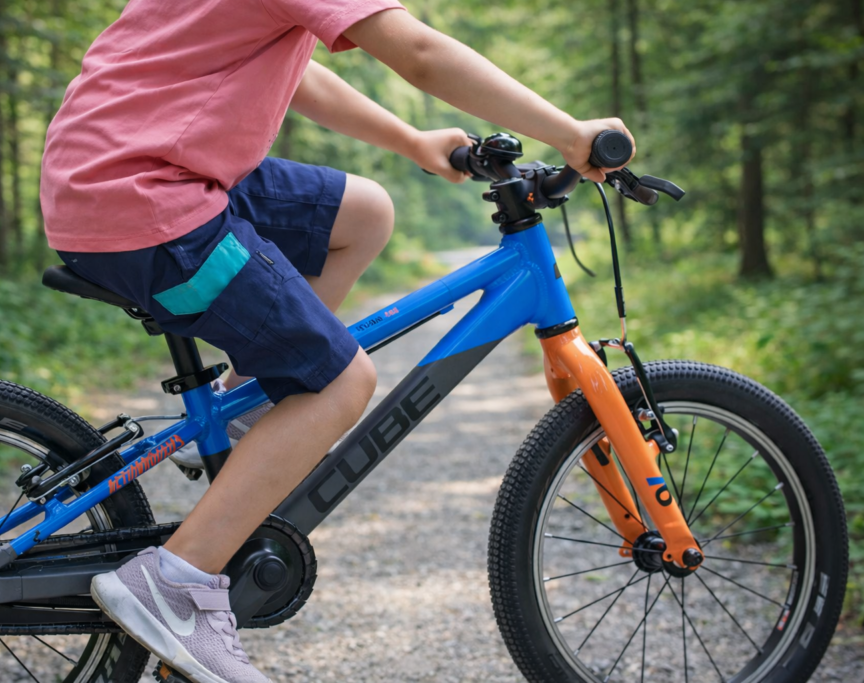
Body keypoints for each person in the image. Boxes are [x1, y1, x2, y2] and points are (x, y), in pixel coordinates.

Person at [40, 2, 634, 681]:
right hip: (149, 202)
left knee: (363, 213)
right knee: (341, 383)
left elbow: (296, 71)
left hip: (118, 172)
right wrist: (570, 133)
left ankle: (256, 409)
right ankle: (175, 584)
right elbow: (419, 54)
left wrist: (411, 140)